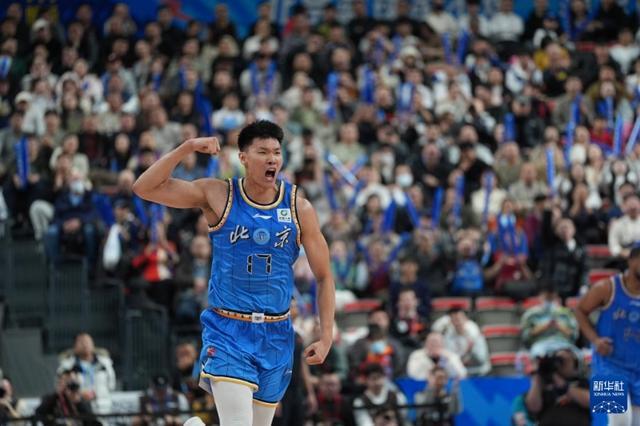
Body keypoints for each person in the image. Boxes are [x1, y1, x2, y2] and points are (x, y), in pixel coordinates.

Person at [133, 120, 336, 426]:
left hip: (277, 334)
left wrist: (327, 334)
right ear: (243, 158)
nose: (272, 159)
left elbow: (324, 276)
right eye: (263, 152)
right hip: (228, 330)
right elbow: (144, 187)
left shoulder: (299, 208)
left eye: (276, 152)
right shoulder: (219, 194)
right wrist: (187, 147)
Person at [576, 243, 640, 426]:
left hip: (637, 368)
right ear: (631, 261)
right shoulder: (607, 287)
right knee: (620, 421)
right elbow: (579, 310)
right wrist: (595, 340)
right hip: (607, 366)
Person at [523, 347, 590, 425]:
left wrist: (564, 386)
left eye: (564, 360)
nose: (560, 364)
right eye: (558, 360)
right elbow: (533, 408)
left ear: (574, 363)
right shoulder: (543, 383)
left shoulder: (581, 382)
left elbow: (592, 402)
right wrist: (538, 376)